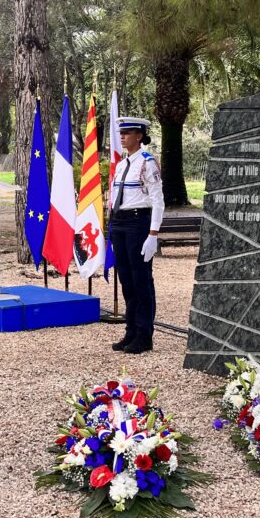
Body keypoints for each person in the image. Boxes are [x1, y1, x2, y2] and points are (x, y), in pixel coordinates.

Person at [106, 115, 165, 354]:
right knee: (127, 281)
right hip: (119, 223)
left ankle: (144, 335)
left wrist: (153, 234)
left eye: (127, 133)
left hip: (138, 223)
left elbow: (158, 200)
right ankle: (130, 332)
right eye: (121, 133)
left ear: (139, 136)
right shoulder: (122, 164)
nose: (122, 137)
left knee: (141, 280)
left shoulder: (147, 162)